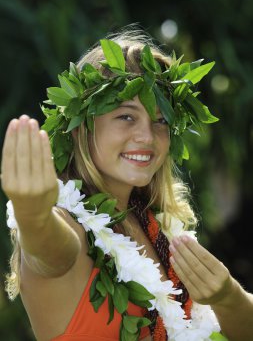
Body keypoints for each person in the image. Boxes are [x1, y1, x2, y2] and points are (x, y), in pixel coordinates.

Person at [1, 29, 253, 341]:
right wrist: (33, 214)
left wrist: (228, 296)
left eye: (160, 120)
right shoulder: (68, 223)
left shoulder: (159, 230)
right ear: (82, 128)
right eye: (126, 117)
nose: (147, 137)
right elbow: (51, 252)